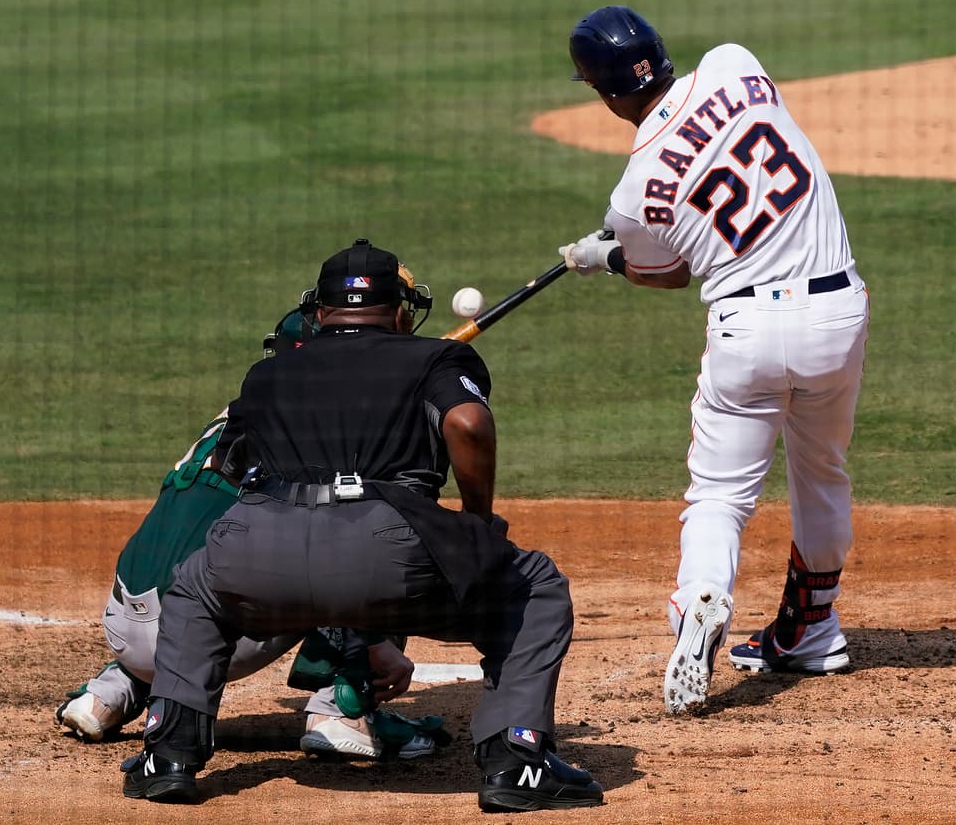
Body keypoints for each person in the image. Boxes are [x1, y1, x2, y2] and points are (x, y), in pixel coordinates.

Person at [119, 238, 603, 812]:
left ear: (319, 313)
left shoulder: (267, 374)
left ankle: (167, 754)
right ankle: (517, 764)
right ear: (401, 311)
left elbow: (228, 465)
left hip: (259, 551)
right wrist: (475, 521)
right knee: (536, 586)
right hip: (384, 551)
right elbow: (469, 424)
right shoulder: (436, 358)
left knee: (197, 589)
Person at [559, 6, 870, 715]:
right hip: (837, 312)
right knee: (821, 472)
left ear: (604, 93)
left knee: (720, 496)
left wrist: (606, 254)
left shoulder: (634, 193)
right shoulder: (735, 61)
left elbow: (664, 272)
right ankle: (815, 628)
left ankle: (700, 598)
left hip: (748, 330)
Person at [56, 306, 445, 760]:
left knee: (223, 553)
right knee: (374, 538)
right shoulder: (324, 430)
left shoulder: (243, 409)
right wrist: (375, 643)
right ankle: (340, 712)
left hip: (124, 620)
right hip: (204, 627)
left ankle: (109, 693)